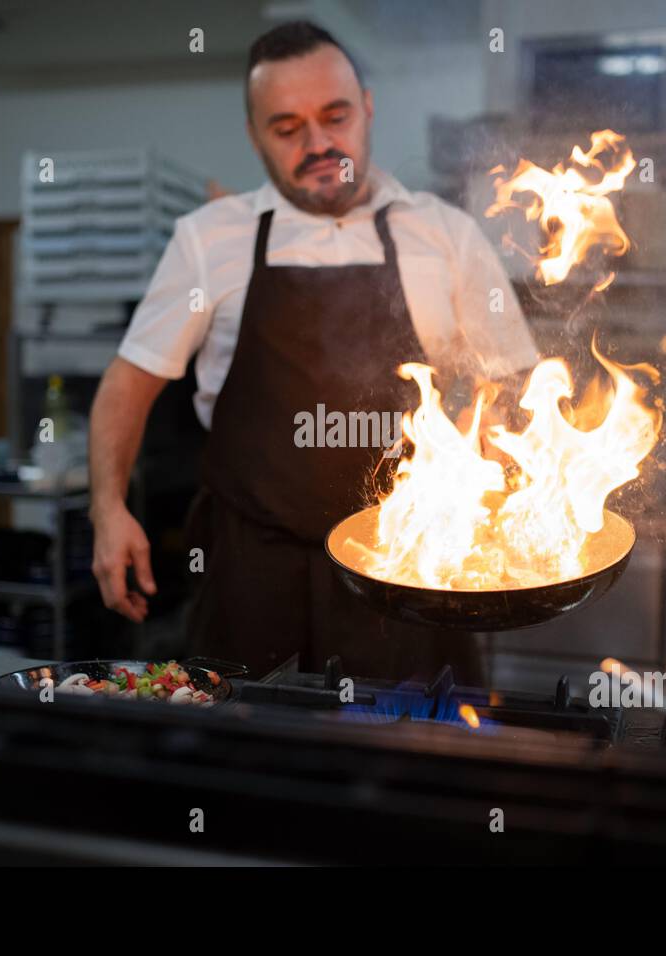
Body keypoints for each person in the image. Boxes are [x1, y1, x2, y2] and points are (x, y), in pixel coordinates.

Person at [88, 20, 538, 682]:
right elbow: (129, 383)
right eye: (287, 127)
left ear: (368, 108)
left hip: (407, 569)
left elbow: (515, 391)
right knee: (250, 765)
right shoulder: (210, 239)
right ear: (255, 136)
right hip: (251, 569)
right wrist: (107, 505)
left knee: (414, 760)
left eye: (335, 116)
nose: (320, 143)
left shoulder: (446, 237)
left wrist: (514, 500)